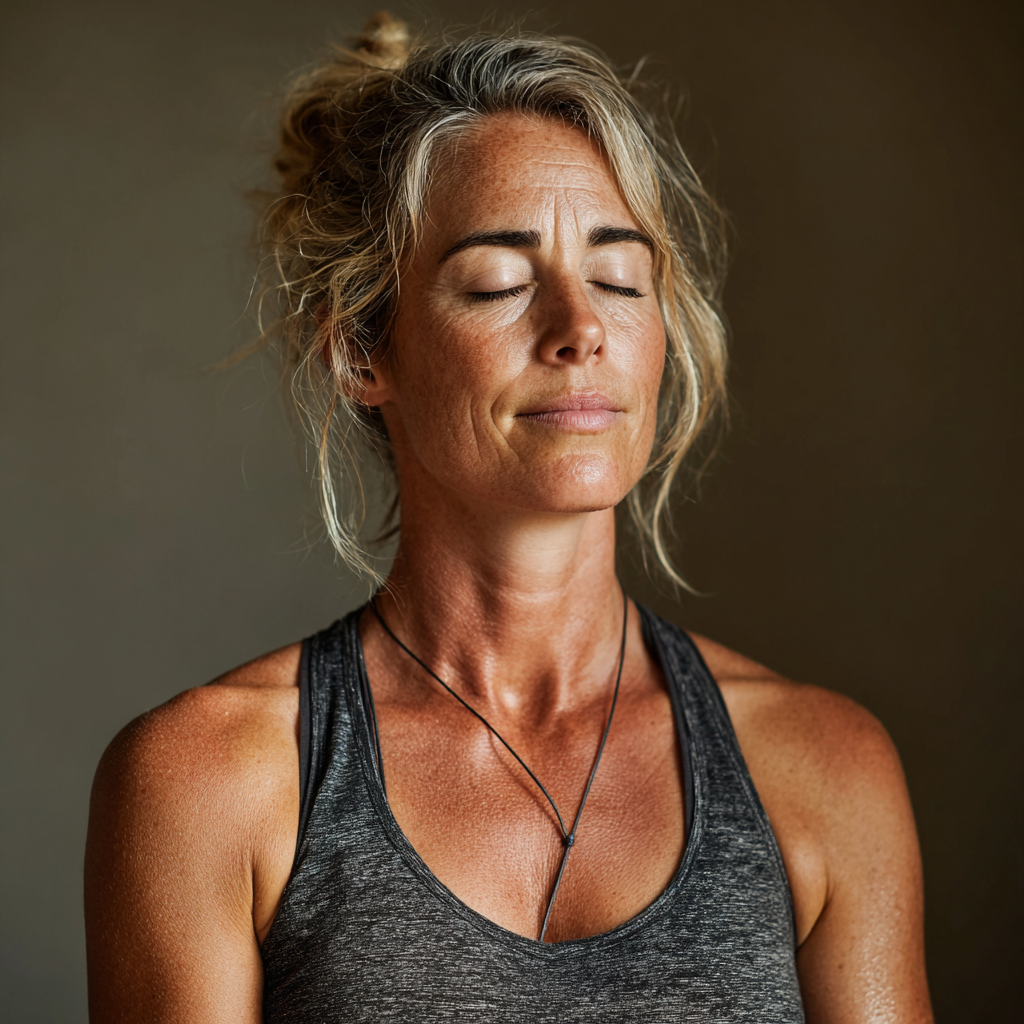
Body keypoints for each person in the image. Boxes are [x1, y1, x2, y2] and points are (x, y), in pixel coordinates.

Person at [84, 14, 932, 1022]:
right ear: (362, 352)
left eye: (620, 278)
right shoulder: (210, 782)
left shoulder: (825, 768)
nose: (581, 329)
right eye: (497, 282)